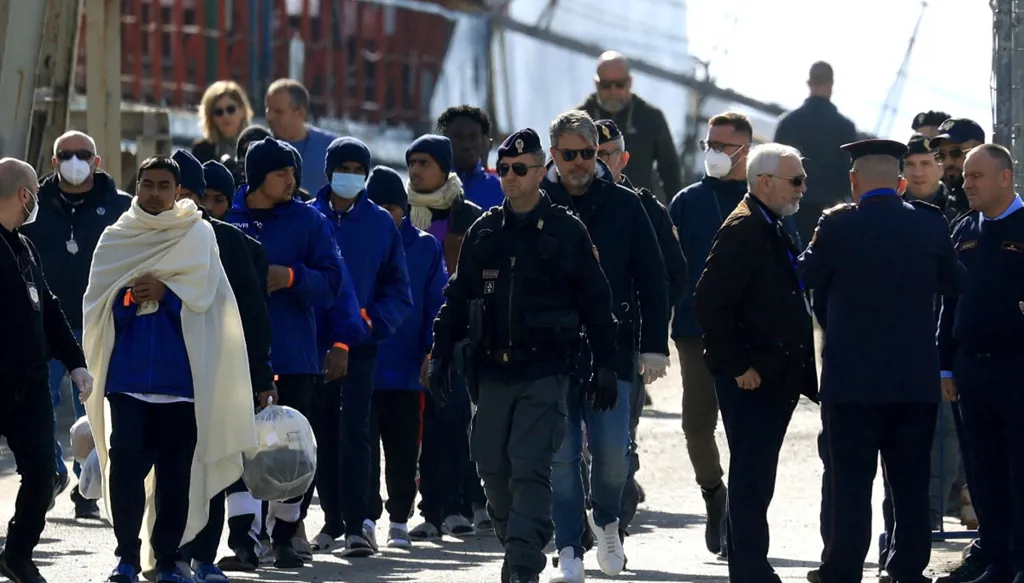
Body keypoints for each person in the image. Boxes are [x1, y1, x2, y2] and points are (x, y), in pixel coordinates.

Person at [430, 128, 619, 583]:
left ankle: (521, 566)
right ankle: (524, 539)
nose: (510, 177)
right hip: (493, 372)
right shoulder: (486, 231)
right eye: (505, 169)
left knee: (530, 468)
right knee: (492, 469)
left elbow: (596, 302)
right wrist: (439, 353)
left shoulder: (566, 231)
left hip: (547, 371)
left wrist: (607, 365)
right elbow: (457, 297)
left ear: (540, 172)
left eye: (520, 169)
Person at [81, 156, 258, 583]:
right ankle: (125, 556)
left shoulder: (198, 237)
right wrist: (129, 298)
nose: (156, 193)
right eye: (147, 184)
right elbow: (95, 306)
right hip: (128, 383)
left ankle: (166, 560)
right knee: (126, 473)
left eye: (165, 185)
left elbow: (213, 305)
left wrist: (168, 292)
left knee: (177, 479)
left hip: (182, 385)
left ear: (177, 191)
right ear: (136, 186)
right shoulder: (116, 238)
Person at [798, 139, 961, 583]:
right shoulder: (931, 225)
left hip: (851, 381)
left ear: (854, 181)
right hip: (913, 379)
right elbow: (955, 284)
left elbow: (801, 275)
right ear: (902, 182)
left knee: (849, 481)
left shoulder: (837, 226)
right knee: (909, 480)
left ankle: (843, 569)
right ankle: (907, 569)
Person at [541, 110, 669, 581]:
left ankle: (608, 519)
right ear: (553, 155)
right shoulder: (537, 201)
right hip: (551, 351)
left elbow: (652, 278)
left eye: (587, 153)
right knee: (563, 453)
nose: (578, 162)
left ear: (600, 154)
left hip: (611, 351)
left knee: (614, 454)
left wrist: (654, 345)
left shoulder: (625, 204)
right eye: (568, 154)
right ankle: (570, 546)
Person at [692, 143, 818, 583]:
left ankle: (748, 563)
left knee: (757, 473)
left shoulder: (772, 222)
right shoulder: (744, 228)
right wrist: (737, 365)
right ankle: (749, 569)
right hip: (752, 378)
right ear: (765, 182)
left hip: (773, 374)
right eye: (795, 181)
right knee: (751, 476)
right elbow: (708, 303)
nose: (802, 189)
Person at [222, 137, 344, 568]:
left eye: (294, 172)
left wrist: (291, 276)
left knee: (292, 449)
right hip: (234, 357)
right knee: (238, 449)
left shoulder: (310, 222)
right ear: (257, 178)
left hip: (295, 355)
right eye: (281, 174)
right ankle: (243, 542)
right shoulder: (227, 218)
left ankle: (286, 536)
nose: (292, 180)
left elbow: (332, 283)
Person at [168, 149, 276, 581]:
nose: (185, 203)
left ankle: (206, 556)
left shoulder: (233, 245)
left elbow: (252, 317)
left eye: (192, 194)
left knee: (214, 465)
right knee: (172, 470)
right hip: (163, 378)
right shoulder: (144, 237)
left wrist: (260, 375)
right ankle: (168, 553)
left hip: (217, 376)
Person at [306, 137, 413, 556]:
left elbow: (398, 291)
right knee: (321, 434)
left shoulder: (381, 223)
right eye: (342, 167)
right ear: (329, 170)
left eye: (358, 168)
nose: (350, 175)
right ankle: (329, 521)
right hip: (312, 350)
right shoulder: (309, 217)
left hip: (360, 346)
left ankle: (358, 524)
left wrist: (367, 324)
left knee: (356, 432)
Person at [19, 130, 130, 520]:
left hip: (100, 321)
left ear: (97, 162)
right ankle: (52, 470)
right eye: (65, 155)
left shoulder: (121, 207)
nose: (74, 161)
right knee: (37, 402)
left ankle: (90, 484)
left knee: (97, 406)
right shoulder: (33, 205)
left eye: (83, 154)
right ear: (53, 162)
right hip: (45, 323)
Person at [0, 157, 93, 583]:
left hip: (31, 384)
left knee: (45, 474)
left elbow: (50, 310)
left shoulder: (23, 246)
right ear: (25, 196)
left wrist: (76, 364)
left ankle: (17, 553)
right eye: (35, 194)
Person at [593, 117, 686, 537]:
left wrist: (652, 335)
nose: (595, 162)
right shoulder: (557, 201)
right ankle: (579, 525)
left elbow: (672, 276)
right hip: (567, 339)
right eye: (588, 153)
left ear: (623, 158)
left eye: (605, 154)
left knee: (619, 440)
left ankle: (616, 514)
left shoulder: (644, 207)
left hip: (625, 342)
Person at [667, 111, 755, 555]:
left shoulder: (764, 195)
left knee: (747, 428)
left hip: (751, 334)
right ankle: (714, 495)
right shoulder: (686, 201)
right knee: (697, 424)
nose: (714, 154)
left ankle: (744, 513)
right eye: (709, 145)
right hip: (695, 331)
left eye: (723, 146)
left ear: (745, 150)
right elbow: (665, 264)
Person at [938, 144, 1024, 583]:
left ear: (1006, 177)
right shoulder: (963, 229)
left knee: (1019, 469)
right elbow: (950, 305)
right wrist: (946, 367)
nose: (967, 183)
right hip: (972, 370)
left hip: (1018, 368)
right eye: (966, 175)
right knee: (983, 469)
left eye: (977, 176)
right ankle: (995, 558)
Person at [363, 165, 447, 549]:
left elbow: (436, 304)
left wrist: (432, 349)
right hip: (363, 368)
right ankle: (364, 518)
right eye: (377, 207)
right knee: (361, 452)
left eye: (392, 208)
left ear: (404, 209)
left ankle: (399, 520)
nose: (386, 215)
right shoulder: (360, 241)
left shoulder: (425, 247)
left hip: (407, 372)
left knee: (402, 452)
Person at [405, 134, 484, 540]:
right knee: (418, 428)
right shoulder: (400, 215)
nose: (416, 170)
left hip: (456, 333)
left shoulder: (467, 216)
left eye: (425, 163)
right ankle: (430, 511)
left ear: (443, 168)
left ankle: (457, 507)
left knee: (451, 421)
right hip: (406, 333)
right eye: (412, 162)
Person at [576, 51, 682, 204]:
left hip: (638, 211)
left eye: (619, 85)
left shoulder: (651, 117)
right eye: (606, 85)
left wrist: (674, 215)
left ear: (630, 82)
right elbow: (559, 166)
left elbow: (670, 170)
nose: (613, 91)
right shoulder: (578, 120)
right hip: (588, 210)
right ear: (596, 83)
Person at [773, 61, 858, 245]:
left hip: (788, 210)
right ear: (832, 84)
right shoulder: (845, 128)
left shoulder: (788, 123)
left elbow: (772, 169)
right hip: (828, 215)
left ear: (809, 83)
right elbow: (848, 177)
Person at [265, 78, 339, 193]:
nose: (270, 117)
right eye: (268, 109)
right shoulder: (259, 146)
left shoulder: (330, 147)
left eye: (278, 111)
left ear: (300, 112)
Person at [436, 105, 505, 210]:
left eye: (473, 137)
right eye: (458, 137)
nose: (466, 145)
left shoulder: (501, 190)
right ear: (444, 141)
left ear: (483, 142)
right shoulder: (428, 187)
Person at [932, 118, 985, 218]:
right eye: (942, 155)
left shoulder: (996, 203)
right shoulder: (942, 205)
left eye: (956, 153)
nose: (948, 162)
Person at [191, 80, 254, 164]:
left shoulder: (255, 146)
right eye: (218, 112)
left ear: (243, 110)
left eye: (231, 109)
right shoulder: (201, 150)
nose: (225, 116)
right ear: (211, 117)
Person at [904, 133, 961, 223]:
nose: (918, 173)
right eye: (910, 164)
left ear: (940, 169)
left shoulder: (960, 210)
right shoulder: (889, 207)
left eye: (926, 164)